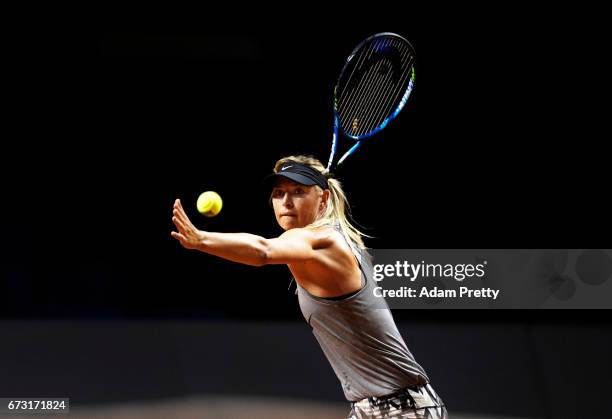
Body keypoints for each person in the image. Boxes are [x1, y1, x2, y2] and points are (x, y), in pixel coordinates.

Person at [171, 155, 448, 418]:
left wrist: (201, 239)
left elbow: (264, 251)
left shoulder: (325, 240)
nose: (286, 201)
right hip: (370, 407)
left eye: (298, 191)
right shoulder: (305, 244)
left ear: (323, 198)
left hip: (405, 409)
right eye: (279, 193)